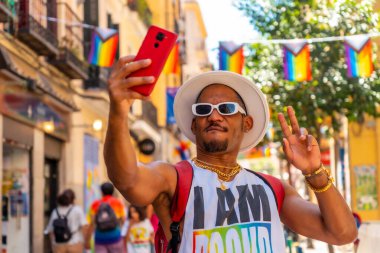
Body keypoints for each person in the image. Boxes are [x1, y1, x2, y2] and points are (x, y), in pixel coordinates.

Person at [104, 56, 358, 252]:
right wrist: (118, 112)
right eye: (204, 110)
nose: (214, 116)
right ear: (194, 125)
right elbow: (128, 180)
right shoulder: (173, 178)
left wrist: (314, 171)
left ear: (246, 123)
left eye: (225, 108)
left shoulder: (273, 189)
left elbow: (343, 233)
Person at [86, 182, 126, 252]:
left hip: (100, 238)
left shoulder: (95, 204)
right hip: (115, 236)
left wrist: (87, 240)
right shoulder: (118, 203)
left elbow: (92, 224)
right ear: (113, 192)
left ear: (101, 192)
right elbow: (123, 220)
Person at [45, 189, 88, 253]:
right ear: (73, 199)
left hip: (59, 244)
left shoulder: (55, 211)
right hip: (75, 243)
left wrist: (53, 244)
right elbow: (84, 227)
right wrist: (85, 241)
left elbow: (50, 230)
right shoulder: (77, 210)